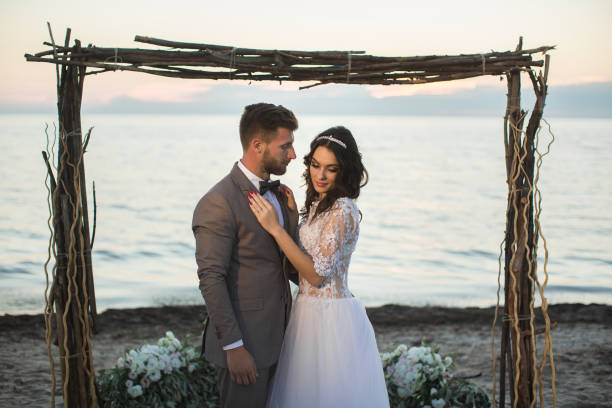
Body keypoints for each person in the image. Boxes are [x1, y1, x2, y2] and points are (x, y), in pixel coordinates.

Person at [248, 126, 390, 407]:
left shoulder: (343, 209)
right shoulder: (319, 204)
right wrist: (290, 216)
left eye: (331, 169)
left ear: (344, 171)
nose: (320, 175)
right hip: (306, 313)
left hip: (331, 319)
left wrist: (276, 230)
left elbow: (316, 275)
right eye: (315, 165)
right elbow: (300, 265)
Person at [192, 103, 299, 408]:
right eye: (286, 146)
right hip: (245, 346)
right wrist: (234, 346)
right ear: (257, 145)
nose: (292, 154)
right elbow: (211, 279)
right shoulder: (218, 202)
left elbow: (285, 266)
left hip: (284, 340)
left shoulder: (280, 195)